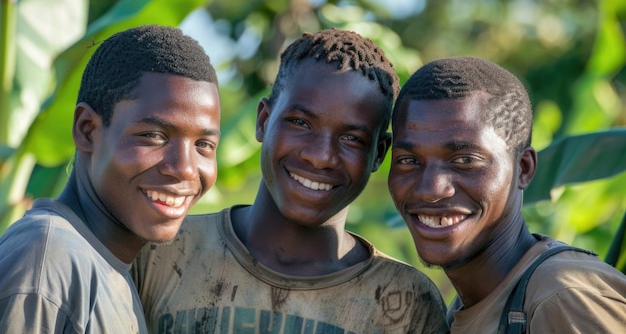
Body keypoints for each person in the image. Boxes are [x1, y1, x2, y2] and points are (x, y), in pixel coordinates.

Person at [132, 28, 449, 334]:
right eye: (300, 123)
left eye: (352, 138)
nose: (321, 156)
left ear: (379, 153)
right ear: (263, 121)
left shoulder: (407, 303)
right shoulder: (158, 252)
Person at [0, 25, 221, 334]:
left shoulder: (111, 268)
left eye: (203, 145)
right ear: (88, 129)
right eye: (154, 136)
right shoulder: (47, 260)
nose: (184, 168)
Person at [387, 56, 626, 333]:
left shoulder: (561, 297)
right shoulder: (465, 308)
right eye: (408, 161)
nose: (431, 189)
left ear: (523, 168)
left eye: (465, 161)